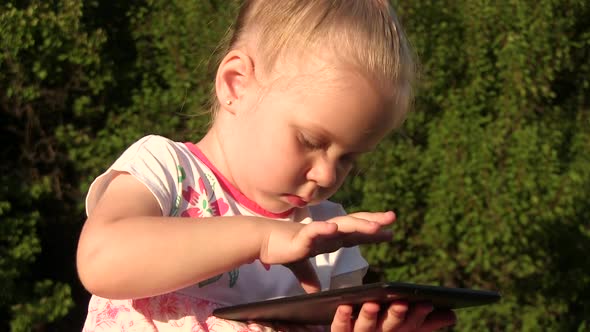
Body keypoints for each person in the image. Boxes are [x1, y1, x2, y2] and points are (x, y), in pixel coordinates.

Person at [76, 0, 457, 331]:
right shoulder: (168, 170)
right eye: (310, 140)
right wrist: (262, 238)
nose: (327, 175)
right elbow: (101, 259)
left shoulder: (326, 240)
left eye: (348, 158)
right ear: (236, 84)